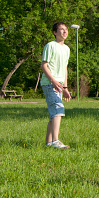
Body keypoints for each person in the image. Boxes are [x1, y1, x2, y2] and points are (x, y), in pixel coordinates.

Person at [40, 22, 72, 150]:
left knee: (53, 113)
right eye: (61, 30)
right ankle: (55, 141)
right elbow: (44, 65)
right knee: (58, 109)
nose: (65, 32)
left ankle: (48, 143)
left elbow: (65, 68)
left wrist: (65, 87)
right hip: (49, 83)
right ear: (55, 32)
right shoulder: (50, 46)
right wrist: (53, 81)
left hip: (60, 85)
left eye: (66, 30)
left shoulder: (67, 49)